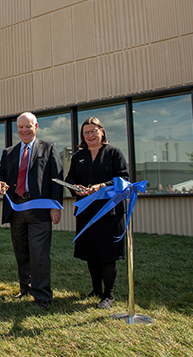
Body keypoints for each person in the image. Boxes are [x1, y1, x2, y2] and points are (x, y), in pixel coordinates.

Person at [0, 112, 63, 309]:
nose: (24, 130)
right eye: (21, 127)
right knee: (21, 251)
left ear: (36, 126)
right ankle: (26, 288)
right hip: (16, 209)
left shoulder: (49, 149)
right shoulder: (9, 152)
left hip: (40, 210)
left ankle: (43, 296)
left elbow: (56, 179)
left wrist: (55, 207)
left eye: (28, 126)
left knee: (39, 254)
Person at [65, 116, 128, 309]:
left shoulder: (114, 153)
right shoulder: (78, 157)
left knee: (107, 254)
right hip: (86, 211)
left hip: (110, 213)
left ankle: (108, 295)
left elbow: (124, 179)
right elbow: (70, 178)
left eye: (94, 131)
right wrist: (74, 188)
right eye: (86, 132)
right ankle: (96, 290)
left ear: (102, 131)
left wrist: (102, 185)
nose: (90, 135)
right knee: (90, 253)